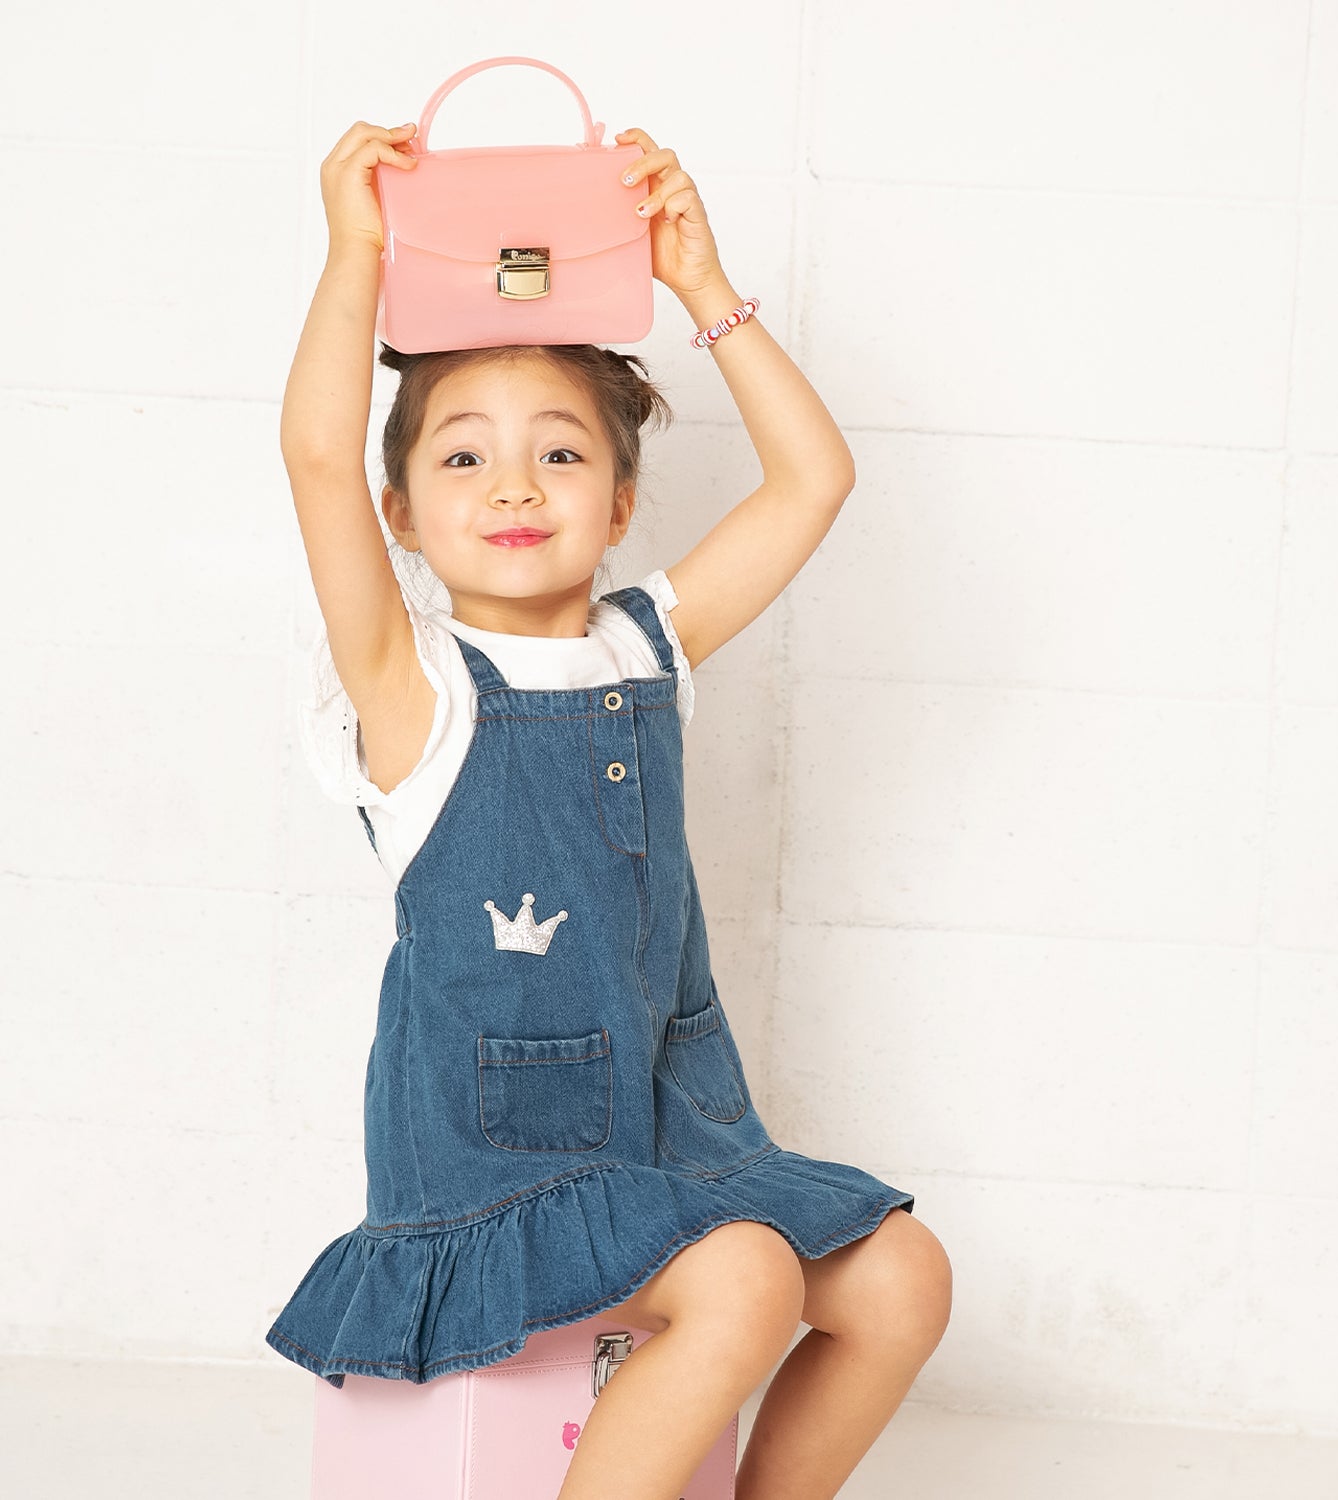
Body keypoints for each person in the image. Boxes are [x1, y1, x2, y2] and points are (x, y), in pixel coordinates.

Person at [266, 118, 953, 1500]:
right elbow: (316, 460)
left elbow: (815, 480)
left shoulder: (647, 647)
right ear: (403, 510)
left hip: (669, 1133)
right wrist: (354, 255)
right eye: (462, 459)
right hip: (490, 1171)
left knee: (901, 1281)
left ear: (624, 495)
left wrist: (707, 288)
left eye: (562, 456)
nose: (514, 483)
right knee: (749, 1277)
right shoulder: (415, 691)